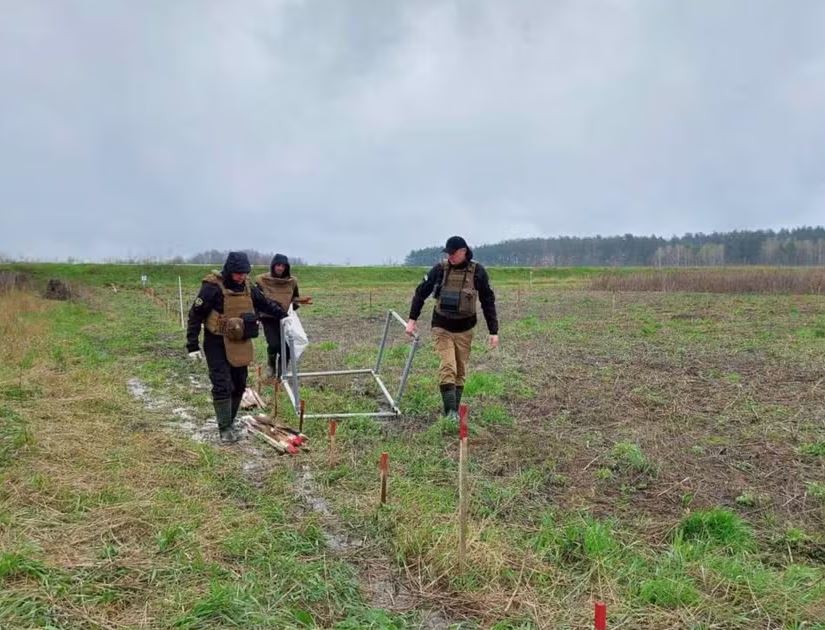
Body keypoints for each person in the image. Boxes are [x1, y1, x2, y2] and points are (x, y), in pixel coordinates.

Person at [186, 251, 286, 443]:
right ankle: (224, 429)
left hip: (240, 342)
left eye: (245, 273)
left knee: (239, 384)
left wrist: (284, 316)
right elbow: (195, 315)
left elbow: (264, 303)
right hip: (216, 342)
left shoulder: (248, 287)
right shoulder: (212, 288)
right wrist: (192, 345)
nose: (242, 277)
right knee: (222, 384)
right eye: (238, 273)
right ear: (229, 271)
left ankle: (230, 421)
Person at [405, 236, 499, 418]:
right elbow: (420, 292)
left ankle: (454, 410)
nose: (450, 257)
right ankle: (450, 413)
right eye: (448, 253)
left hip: (465, 330)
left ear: (464, 251)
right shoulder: (440, 269)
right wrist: (412, 319)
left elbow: (488, 301)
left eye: (453, 253)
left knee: (460, 370)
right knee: (449, 366)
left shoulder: (478, 272)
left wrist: (493, 331)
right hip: (442, 327)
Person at [255, 253, 300, 377]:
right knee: (274, 344)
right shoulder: (262, 280)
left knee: (286, 347)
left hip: (285, 318)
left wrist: (297, 302)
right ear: (273, 266)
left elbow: (294, 297)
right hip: (268, 317)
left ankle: (282, 373)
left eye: (283, 266)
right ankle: (271, 365)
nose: (280, 268)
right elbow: (257, 300)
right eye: (278, 265)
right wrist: (256, 316)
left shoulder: (291, 281)